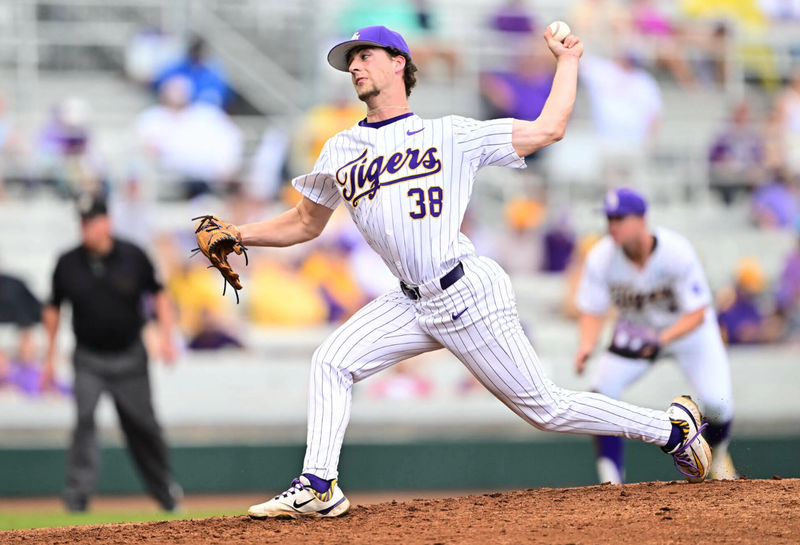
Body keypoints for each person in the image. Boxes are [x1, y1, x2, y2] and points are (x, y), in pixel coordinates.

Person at [203, 25, 713, 520]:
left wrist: (568, 61)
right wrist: (239, 233)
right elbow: (304, 222)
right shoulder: (340, 148)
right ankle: (319, 485)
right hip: (409, 301)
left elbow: (549, 128)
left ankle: (670, 430)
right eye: (349, 60)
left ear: (398, 63)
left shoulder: (450, 134)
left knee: (546, 409)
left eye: (365, 55)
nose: (354, 66)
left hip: (464, 291)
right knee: (331, 361)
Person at [574, 188, 736, 485]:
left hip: (690, 334)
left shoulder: (676, 251)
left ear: (641, 220)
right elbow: (592, 310)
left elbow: (698, 312)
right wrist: (586, 345)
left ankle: (717, 456)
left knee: (718, 404)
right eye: (609, 219)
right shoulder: (601, 256)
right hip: (637, 334)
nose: (612, 226)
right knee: (599, 396)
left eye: (620, 218)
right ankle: (610, 481)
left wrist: (661, 339)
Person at [42, 195, 181, 512]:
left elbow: (159, 295)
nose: (86, 228)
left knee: (143, 426)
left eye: (92, 221)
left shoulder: (133, 255)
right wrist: (49, 357)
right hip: (88, 358)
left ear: (107, 222)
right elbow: (53, 308)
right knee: (84, 421)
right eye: (83, 222)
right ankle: (77, 498)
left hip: (129, 356)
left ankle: (166, 492)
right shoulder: (68, 262)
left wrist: (167, 338)